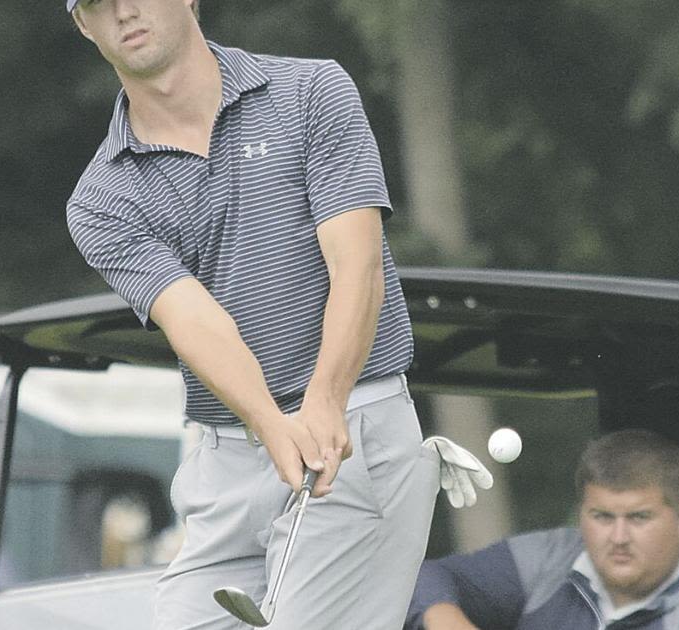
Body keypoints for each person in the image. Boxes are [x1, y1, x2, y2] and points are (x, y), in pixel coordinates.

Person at [64, 0, 444, 627]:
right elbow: (196, 323)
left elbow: (360, 269)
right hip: (231, 458)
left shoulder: (312, 90)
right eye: (98, 3)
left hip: (354, 427)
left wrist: (323, 401)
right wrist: (270, 422)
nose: (124, 11)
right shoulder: (102, 196)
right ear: (83, 24)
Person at [406, 429, 679, 629]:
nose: (618, 537)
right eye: (602, 517)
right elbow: (422, 577)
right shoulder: (555, 557)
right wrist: (446, 620)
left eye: (639, 517)